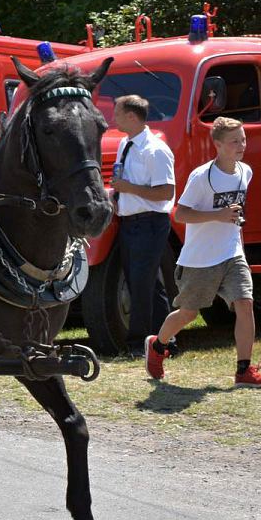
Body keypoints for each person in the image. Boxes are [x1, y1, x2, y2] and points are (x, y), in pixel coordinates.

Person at [145, 117, 261, 388]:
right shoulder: (202, 176)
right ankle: (157, 346)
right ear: (218, 144)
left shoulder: (245, 171)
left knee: (245, 305)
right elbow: (180, 214)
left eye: (243, 139)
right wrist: (219, 214)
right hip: (201, 259)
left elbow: (236, 217)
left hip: (232, 254)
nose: (241, 145)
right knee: (188, 314)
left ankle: (244, 371)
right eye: (234, 141)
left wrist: (241, 250)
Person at [110, 94, 176, 348]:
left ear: (131, 116)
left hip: (150, 223)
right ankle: (166, 340)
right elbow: (121, 181)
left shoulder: (155, 149)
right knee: (147, 283)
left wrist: (128, 188)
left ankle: (139, 342)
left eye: (116, 113)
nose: (112, 117)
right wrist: (117, 196)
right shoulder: (124, 144)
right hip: (130, 223)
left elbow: (165, 192)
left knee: (141, 283)